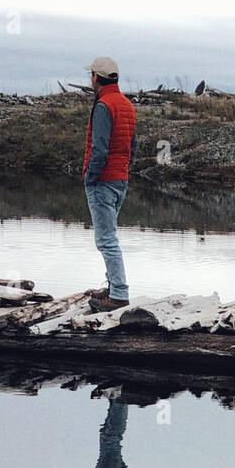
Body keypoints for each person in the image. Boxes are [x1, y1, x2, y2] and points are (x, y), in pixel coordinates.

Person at [82, 56, 137, 310]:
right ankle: (113, 287)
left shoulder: (104, 105)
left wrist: (90, 177)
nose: (90, 78)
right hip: (119, 179)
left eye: (91, 74)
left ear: (97, 77)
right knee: (109, 237)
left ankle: (118, 295)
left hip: (103, 181)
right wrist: (124, 169)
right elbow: (131, 146)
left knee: (106, 240)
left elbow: (100, 149)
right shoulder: (126, 104)